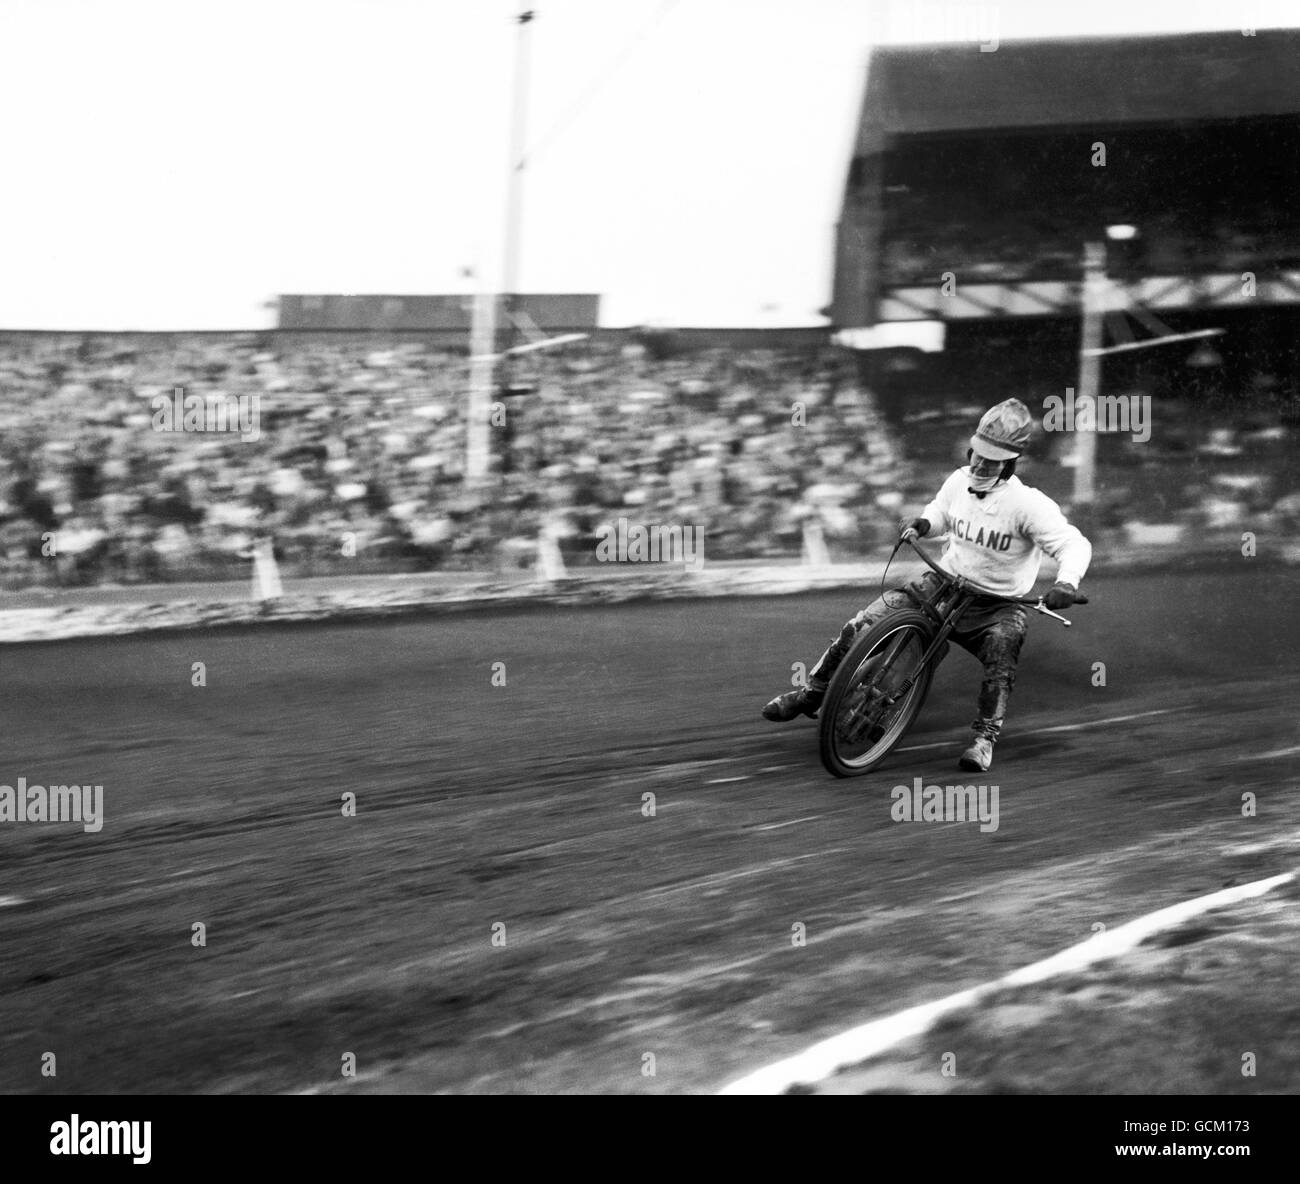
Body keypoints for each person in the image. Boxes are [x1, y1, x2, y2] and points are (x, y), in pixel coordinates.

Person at [761, 398, 1091, 772]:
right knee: (861, 626)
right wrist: (922, 524)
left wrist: (1066, 581)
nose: (980, 464)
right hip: (943, 583)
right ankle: (813, 693)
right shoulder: (958, 480)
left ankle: (984, 738)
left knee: (1002, 655)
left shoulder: (1029, 505)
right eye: (977, 454)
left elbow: (1073, 544)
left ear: (1011, 462)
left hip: (995, 603)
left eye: (992, 459)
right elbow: (940, 513)